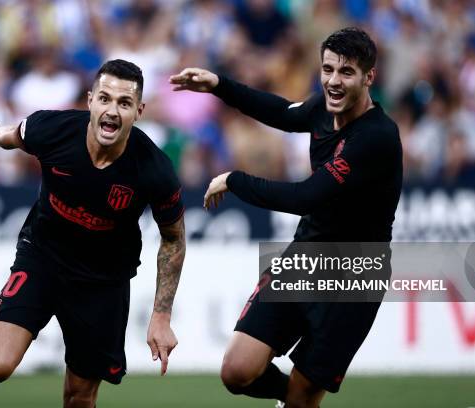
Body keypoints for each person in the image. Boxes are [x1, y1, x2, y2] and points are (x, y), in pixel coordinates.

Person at [170, 27, 402, 408]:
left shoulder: (376, 137)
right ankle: (290, 399)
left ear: (369, 77)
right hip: (306, 257)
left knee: (303, 397)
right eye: (327, 69)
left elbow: (306, 197)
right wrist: (218, 85)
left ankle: (296, 401)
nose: (333, 81)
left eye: (346, 72)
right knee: (237, 370)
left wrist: (235, 179)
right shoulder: (324, 109)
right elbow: (282, 112)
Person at [0, 59, 186, 408]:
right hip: (43, 256)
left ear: (139, 110)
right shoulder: (52, 128)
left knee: (79, 397)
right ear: (90, 100)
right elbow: (11, 136)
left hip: (103, 281)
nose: (112, 111)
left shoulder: (154, 170)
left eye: (124, 103)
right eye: (105, 98)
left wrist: (161, 317)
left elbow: (174, 238)